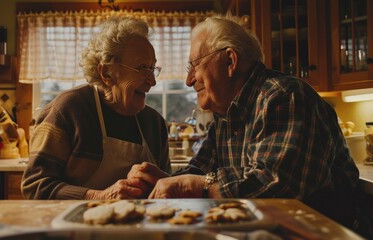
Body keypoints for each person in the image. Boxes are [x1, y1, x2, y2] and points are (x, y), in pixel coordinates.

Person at [127, 13, 368, 234]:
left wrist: (191, 185)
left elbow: (276, 183)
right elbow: (201, 170)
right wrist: (164, 180)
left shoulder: (285, 96)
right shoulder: (226, 113)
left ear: (230, 61)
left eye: (194, 65)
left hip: (320, 233)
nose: (189, 80)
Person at [22, 17, 171, 200]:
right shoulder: (68, 111)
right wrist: (98, 197)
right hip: (73, 227)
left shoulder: (154, 123)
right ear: (106, 73)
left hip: (139, 227)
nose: (152, 81)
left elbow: (168, 190)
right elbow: (35, 186)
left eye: (152, 68)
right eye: (142, 68)